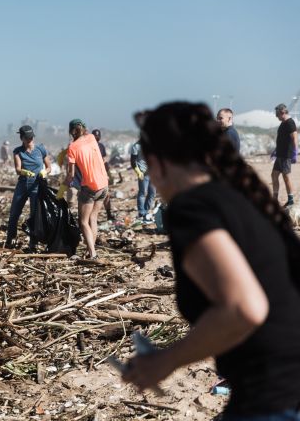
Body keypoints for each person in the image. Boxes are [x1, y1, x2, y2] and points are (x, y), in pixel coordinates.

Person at [122, 102, 300, 421]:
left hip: (274, 394)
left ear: (157, 164)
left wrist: (164, 362)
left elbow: (243, 308)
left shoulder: (192, 207)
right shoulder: (239, 198)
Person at [65, 119, 108, 259]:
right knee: (93, 218)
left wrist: (64, 186)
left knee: (83, 221)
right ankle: (91, 250)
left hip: (89, 187)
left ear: (71, 131)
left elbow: (71, 175)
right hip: (103, 185)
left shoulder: (72, 147)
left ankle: (93, 254)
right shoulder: (91, 138)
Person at [5, 125, 51, 251]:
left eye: (31, 138)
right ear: (22, 138)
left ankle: (33, 242)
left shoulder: (41, 149)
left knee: (34, 214)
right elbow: (18, 169)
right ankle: (11, 239)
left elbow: (49, 167)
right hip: (23, 185)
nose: (30, 140)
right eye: (27, 138)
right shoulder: (18, 151)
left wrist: (44, 172)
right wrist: (24, 172)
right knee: (14, 212)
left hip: (36, 186)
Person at [130, 112, 156, 223]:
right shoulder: (136, 146)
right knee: (142, 192)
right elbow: (133, 161)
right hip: (143, 173)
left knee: (152, 193)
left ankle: (146, 211)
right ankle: (141, 212)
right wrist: (138, 171)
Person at [272, 103, 297, 207]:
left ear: (282, 112)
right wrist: (275, 150)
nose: (276, 116)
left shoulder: (290, 123)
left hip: (286, 155)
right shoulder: (283, 123)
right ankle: (275, 198)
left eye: (277, 114)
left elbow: (295, 137)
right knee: (274, 175)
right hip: (280, 154)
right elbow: (281, 138)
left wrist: (295, 152)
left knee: (286, 177)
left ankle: (291, 200)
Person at [92, 128, 115, 220]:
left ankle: (109, 214)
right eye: (95, 136)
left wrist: (108, 173)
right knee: (93, 196)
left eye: (98, 136)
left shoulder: (101, 146)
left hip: (102, 172)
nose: (96, 138)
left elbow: (104, 158)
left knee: (106, 195)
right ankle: (92, 216)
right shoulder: (90, 146)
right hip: (93, 174)